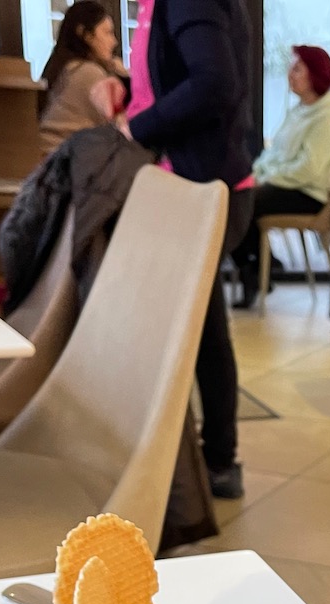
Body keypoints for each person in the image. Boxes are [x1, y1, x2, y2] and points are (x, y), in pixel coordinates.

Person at [100, 0, 256, 499]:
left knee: (197, 332)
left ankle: (211, 460)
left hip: (207, 189)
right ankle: (210, 459)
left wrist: (136, 130)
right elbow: (182, 77)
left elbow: (213, 82)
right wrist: (129, 91)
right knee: (199, 328)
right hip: (191, 184)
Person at [230, 44, 330, 309]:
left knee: (243, 201)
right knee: (235, 192)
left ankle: (255, 271)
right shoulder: (299, 111)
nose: (289, 75)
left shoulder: (328, 118)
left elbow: (309, 168)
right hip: (286, 185)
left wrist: (266, 179)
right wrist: (255, 173)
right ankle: (258, 266)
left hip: (306, 194)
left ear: (314, 74)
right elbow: (274, 155)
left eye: (296, 69)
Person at [37, 0, 129, 156]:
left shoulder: (63, 68)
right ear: (85, 35)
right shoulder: (89, 73)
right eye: (107, 33)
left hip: (49, 157)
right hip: (70, 162)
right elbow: (122, 125)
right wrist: (127, 76)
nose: (114, 42)